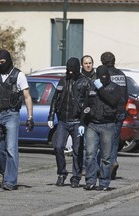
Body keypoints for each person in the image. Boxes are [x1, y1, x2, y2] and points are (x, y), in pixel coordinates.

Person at [0, 49, 34, 191]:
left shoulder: (19, 75)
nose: (0, 64)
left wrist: (30, 117)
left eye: (3, 62)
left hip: (11, 115)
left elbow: (27, 96)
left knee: (11, 149)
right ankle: (6, 173)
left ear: (8, 60)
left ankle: (10, 181)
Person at [47, 57, 90, 188]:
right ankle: (62, 173)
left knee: (77, 151)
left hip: (77, 121)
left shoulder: (85, 82)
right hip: (63, 121)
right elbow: (55, 99)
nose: (70, 72)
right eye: (68, 69)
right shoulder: (63, 81)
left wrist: (84, 121)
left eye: (72, 69)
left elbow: (89, 103)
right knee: (58, 147)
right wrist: (51, 116)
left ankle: (76, 177)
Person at [79, 65, 122, 191]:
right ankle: (90, 181)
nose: (102, 78)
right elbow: (86, 105)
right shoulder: (92, 86)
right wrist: (82, 122)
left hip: (108, 125)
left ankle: (104, 182)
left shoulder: (115, 88)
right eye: (100, 76)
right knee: (90, 155)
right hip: (93, 124)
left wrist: (101, 88)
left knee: (106, 157)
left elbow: (113, 101)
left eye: (104, 76)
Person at [100, 52, 128, 180]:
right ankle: (113, 161)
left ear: (102, 62)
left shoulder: (105, 75)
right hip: (121, 111)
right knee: (115, 139)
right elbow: (126, 94)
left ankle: (107, 166)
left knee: (104, 140)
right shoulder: (122, 75)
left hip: (109, 112)